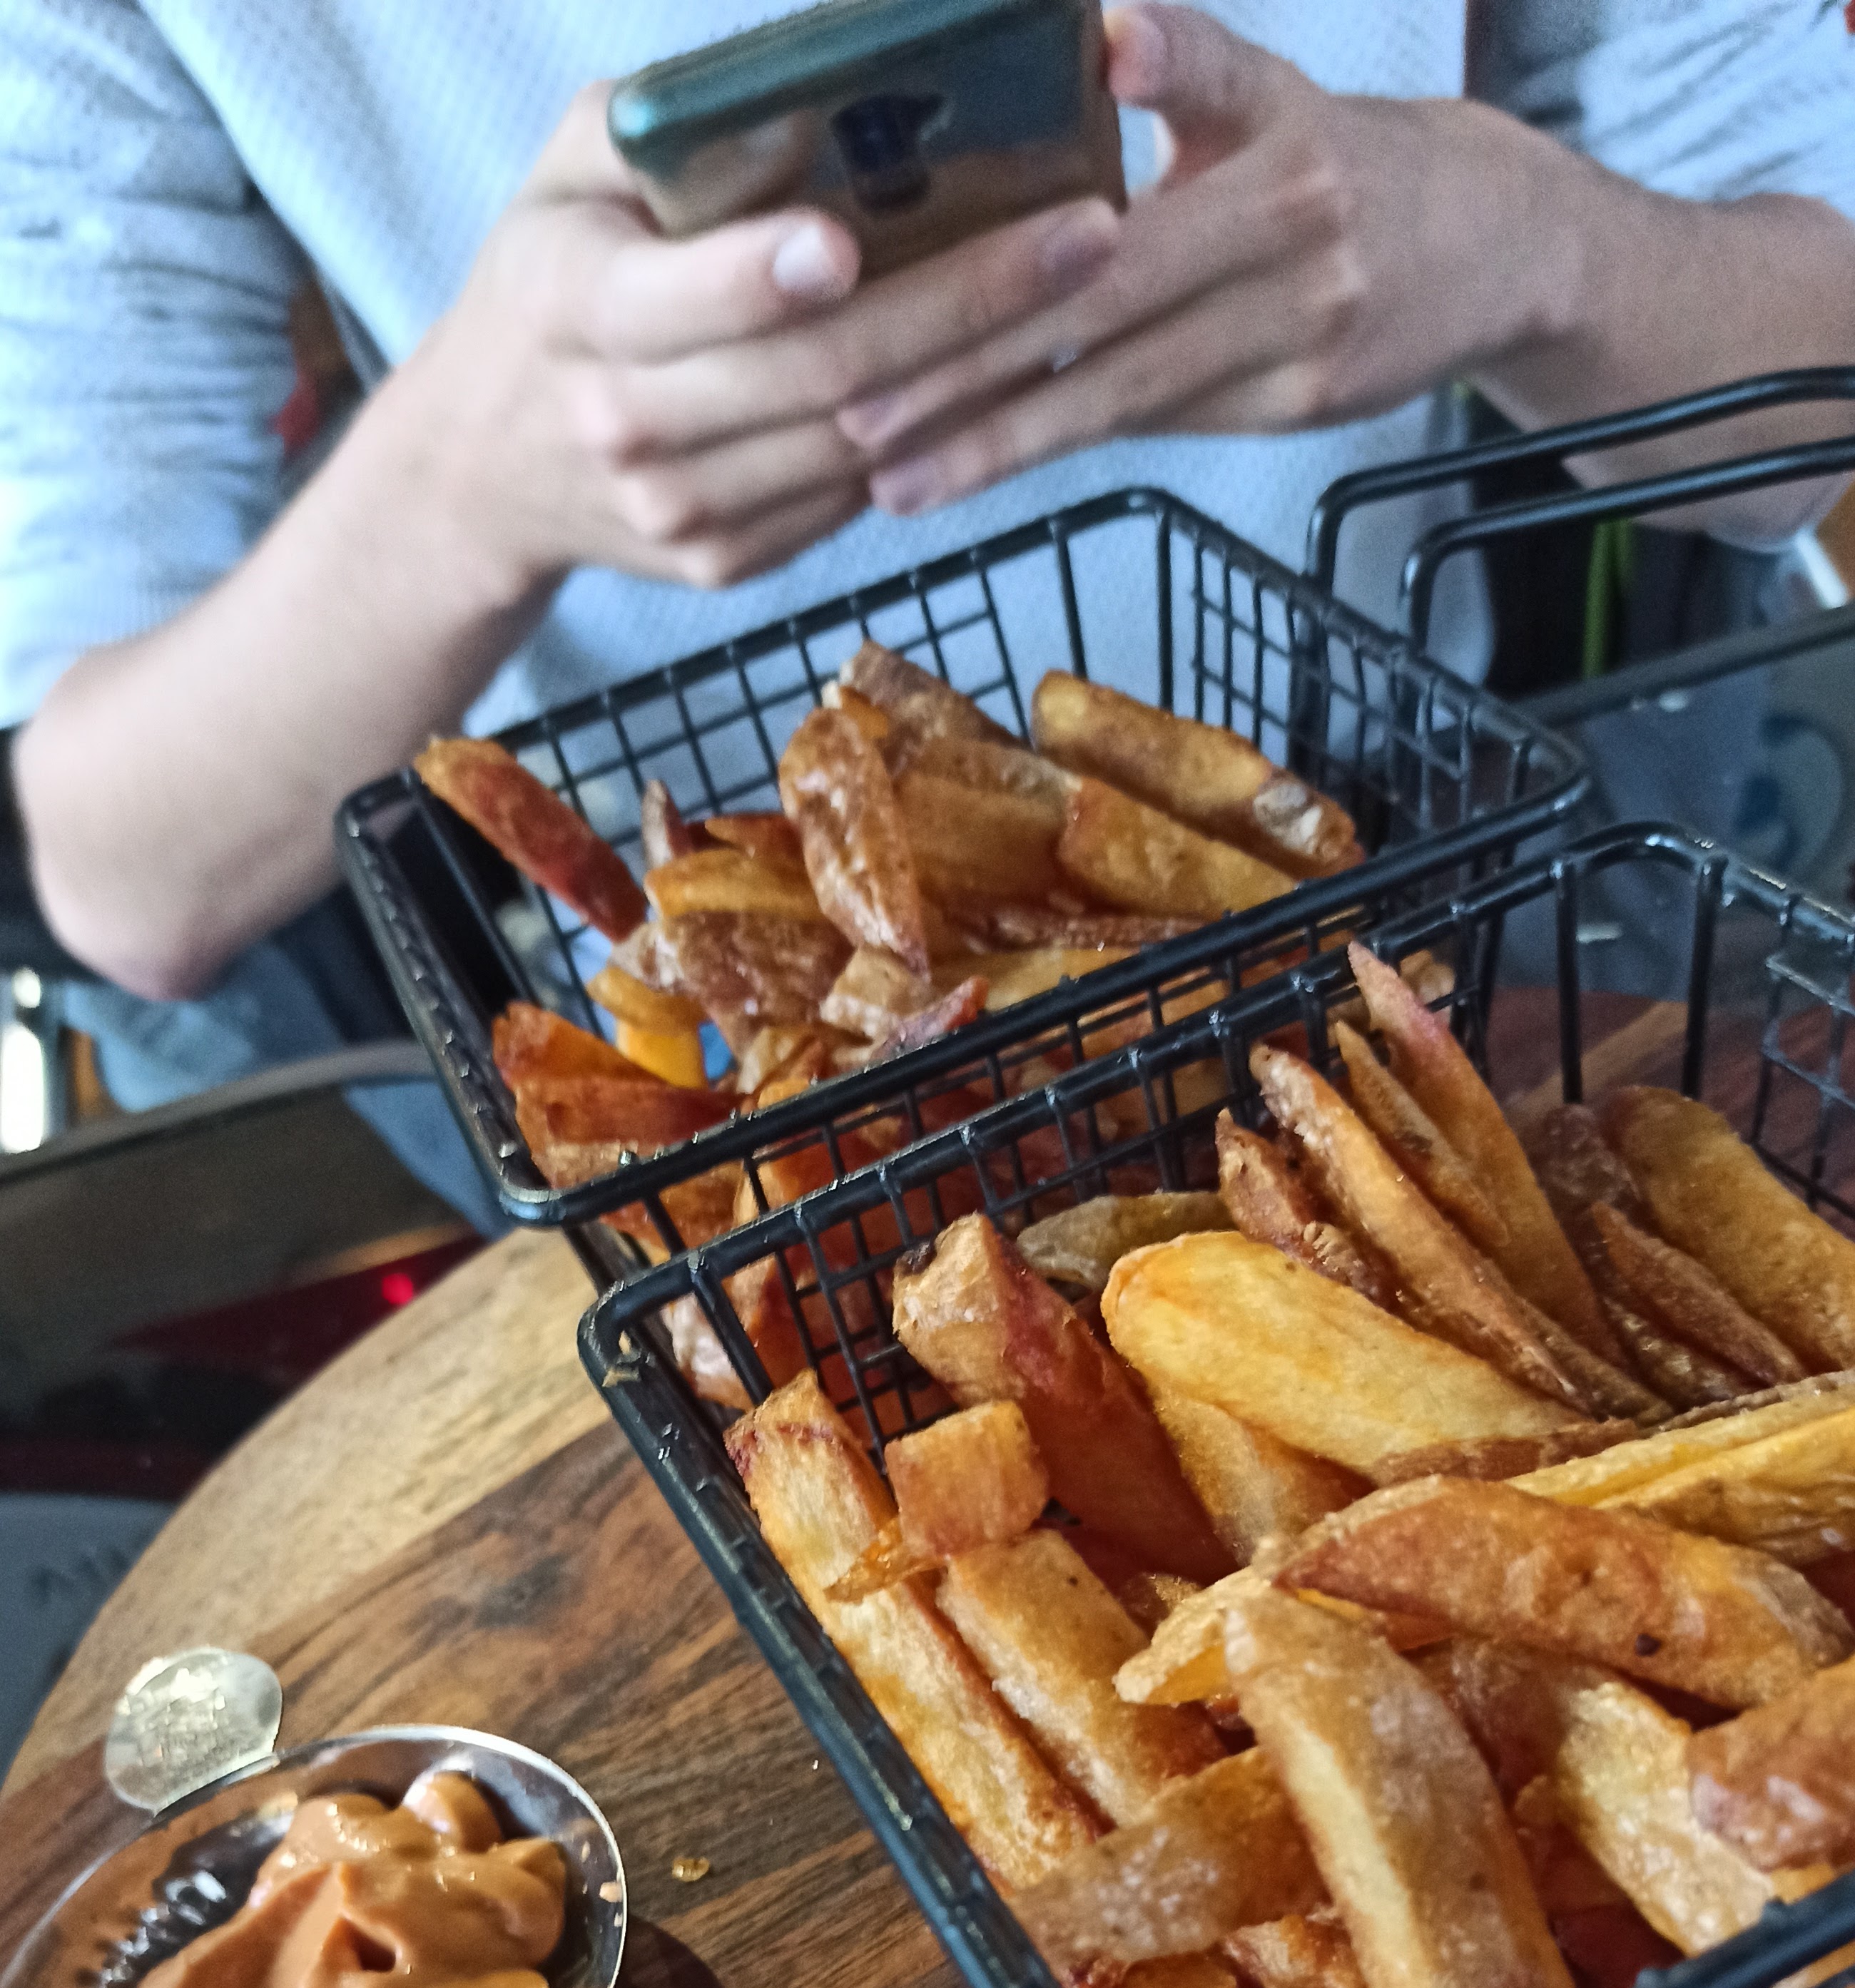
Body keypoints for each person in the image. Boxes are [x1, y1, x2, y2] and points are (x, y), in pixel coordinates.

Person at [5, 0, 1855, 1212]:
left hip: (1419, 913)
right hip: (719, 1077)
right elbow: (126, 874)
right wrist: (466, 487)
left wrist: (1534, 241)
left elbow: (1807, 420)